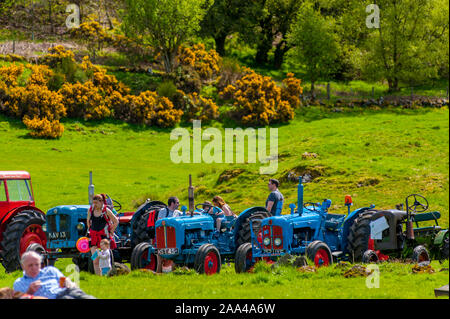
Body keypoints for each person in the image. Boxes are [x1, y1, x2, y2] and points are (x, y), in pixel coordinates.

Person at [13, 251, 95, 299]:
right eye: (30, 265)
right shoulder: (19, 282)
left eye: (37, 264)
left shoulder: (50, 270)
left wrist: (68, 283)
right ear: (23, 266)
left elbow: (65, 280)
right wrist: (29, 291)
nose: (34, 268)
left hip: (68, 291)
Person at [87, 194, 119, 276]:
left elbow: (116, 221)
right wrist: (91, 231)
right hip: (94, 237)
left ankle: (108, 275)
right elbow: (88, 222)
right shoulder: (90, 210)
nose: (95, 205)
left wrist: (111, 231)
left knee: (105, 257)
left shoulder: (106, 211)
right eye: (93, 203)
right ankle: (99, 277)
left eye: (96, 203)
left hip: (103, 237)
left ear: (101, 202)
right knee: (95, 259)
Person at [156, 197, 182, 273]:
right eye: (177, 202)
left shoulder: (177, 212)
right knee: (160, 257)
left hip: (176, 237)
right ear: (172, 203)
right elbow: (159, 221)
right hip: (164, 236)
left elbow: (185, 215)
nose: (179, 204)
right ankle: (159, 271)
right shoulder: (163, 211)